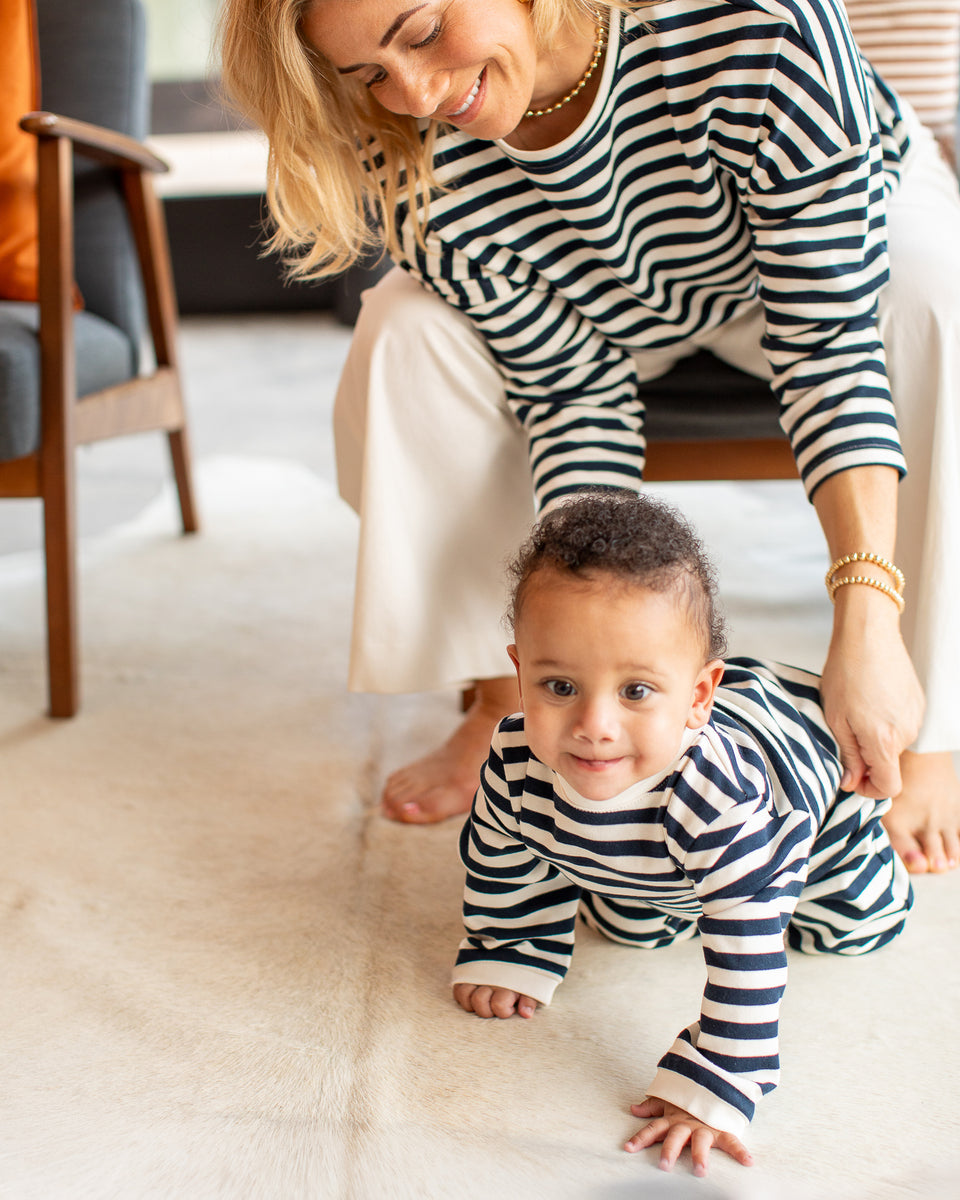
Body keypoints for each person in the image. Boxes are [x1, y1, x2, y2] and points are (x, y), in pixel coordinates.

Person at [217, 1, 960, 869]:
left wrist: (862, 617)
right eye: (370, 73)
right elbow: (572, 389)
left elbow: (826, 341)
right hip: (608, 299)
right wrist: (589, 656)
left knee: (937, 302)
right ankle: (507, 703)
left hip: (829, 249)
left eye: (421, 32)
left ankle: (931, 720)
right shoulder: (401, 147)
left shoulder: (758, 25)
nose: (413, 92)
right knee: (402, 332)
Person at [451, 489, 912, 1175]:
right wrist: (512, 944)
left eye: (636, 691)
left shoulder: (716, 798)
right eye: (559, 687)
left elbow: (747, 953)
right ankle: (674, 891)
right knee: (634, 924)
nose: (594, 725)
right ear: (521, 673)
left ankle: (860, 870)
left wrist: (716, 1084)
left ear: (699, 697)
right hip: (673, 860)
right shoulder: (517, 755)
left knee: (848, 926)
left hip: (810, 809)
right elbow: (506, 856)